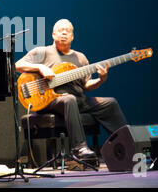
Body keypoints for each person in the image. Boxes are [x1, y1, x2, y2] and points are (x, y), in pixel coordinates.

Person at [15, 19, 127, 163]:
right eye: (60, 30)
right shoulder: (42, 52)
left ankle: (125, 147)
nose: (63, 33)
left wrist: (101, 79)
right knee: (69, 99)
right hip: (51, 101)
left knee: (110, 103)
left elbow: (87, 84)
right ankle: (79, 148)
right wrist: (40, 67)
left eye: (67, 31)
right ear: (53, 34)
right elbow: (18, 65)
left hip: (79, 100)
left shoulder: (80, 58)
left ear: (72, 36)